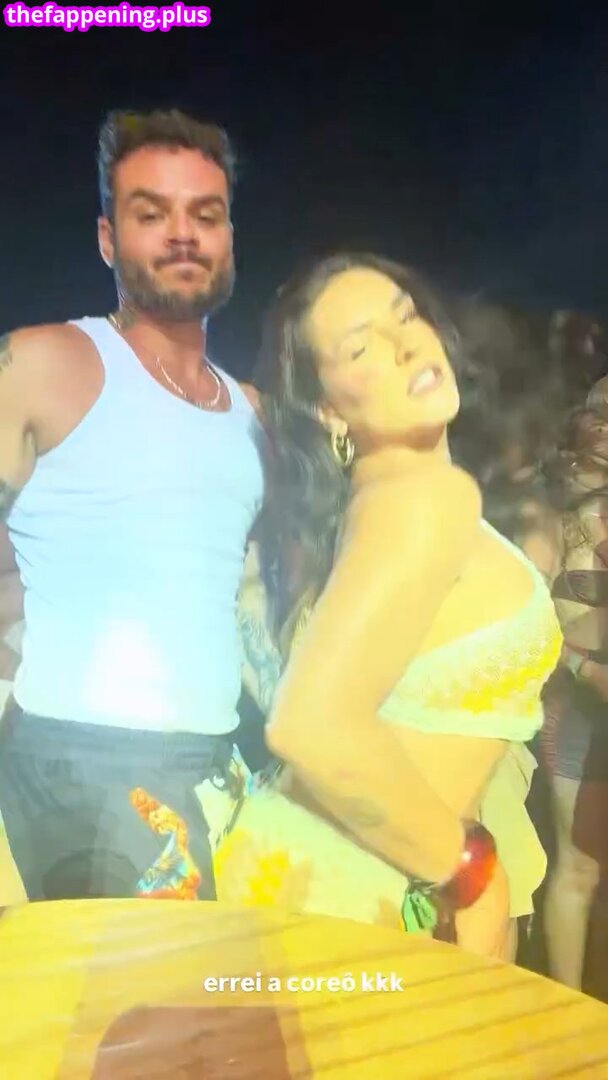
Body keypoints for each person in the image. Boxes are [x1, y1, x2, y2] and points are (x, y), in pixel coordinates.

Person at [213, 253, 562, 959]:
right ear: (327, 407)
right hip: (337, 898)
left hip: (343, 883)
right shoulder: (425, 501)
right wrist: (468, 870)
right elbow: (308, 725)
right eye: (361, 348)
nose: (406, 344)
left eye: (405, 315)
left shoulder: (381, 500)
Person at [0, 108, 265, 903]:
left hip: (218, 763)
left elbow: (251, 596)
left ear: (229, 239)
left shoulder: (253, 413)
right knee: (158, 981)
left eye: (205, 215)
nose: (183, 234)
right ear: (109, 239)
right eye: (152, 214)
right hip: (86, 765)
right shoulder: (49, 363)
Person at [520, 376, 608, 990]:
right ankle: (569, 1010)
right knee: (576, 867)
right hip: (575, 707)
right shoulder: (549, 513)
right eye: (599, 414)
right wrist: (588, 671)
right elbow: (533, 622)